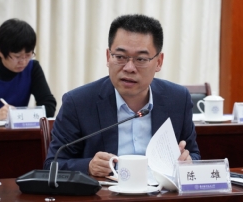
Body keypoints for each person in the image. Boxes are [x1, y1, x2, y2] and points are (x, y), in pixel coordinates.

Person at [44, 14, 199, 175]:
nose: (129, 68)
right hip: (105, 191)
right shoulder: (78, 103)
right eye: (120, 57)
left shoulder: (178, 99)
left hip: (162, 190)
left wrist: (188, 162)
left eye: (141, 59)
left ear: (158, 62)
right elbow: (52, 165)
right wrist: (88, 167)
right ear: (108, 57)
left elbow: (193, 154)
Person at [0, 19, 56, 120]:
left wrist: (20, 115)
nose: (24, 62)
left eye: (28, 55)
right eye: (17, 57)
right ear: (0, 52)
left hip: (20, 129)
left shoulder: (32, 68)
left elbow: (48, 104)